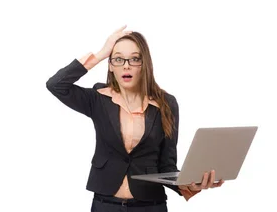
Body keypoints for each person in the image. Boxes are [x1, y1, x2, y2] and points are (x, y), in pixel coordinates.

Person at [45, 25, 223, 212]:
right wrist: (101, 53)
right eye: (119, 59)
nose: (126, 65)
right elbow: (56, 85)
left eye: (135, 59)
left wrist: (188, 185)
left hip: (150, 206)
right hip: (105, 205)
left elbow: (167, 165)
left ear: (144, 64)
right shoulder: (98, 99)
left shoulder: (166, 104)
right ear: (111, 66)